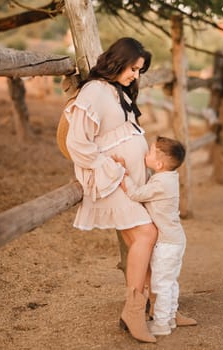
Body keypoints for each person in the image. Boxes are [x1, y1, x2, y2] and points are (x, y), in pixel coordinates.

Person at [65, 37, 158, 343]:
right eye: (133, 68)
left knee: (146, 239)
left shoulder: (118, 92)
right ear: (118, 61)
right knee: (146, 234)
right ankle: (133, 311)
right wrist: (110, 167)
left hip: (127, 180)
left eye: (140, 70)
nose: (136, 75)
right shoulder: (94, 92)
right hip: (107, 179)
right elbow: (77, 143)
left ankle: (158, 305)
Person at [119, 136, 197, 336]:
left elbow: (135, 194)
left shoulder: (161, 183)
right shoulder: (167, 177)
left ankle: (161, 324)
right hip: (175, 240)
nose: (146, 154)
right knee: (170, 282)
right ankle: (169, 317)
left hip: (168, 243)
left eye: (150, 152)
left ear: (159, 164)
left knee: (161, 284)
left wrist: (123, 175)